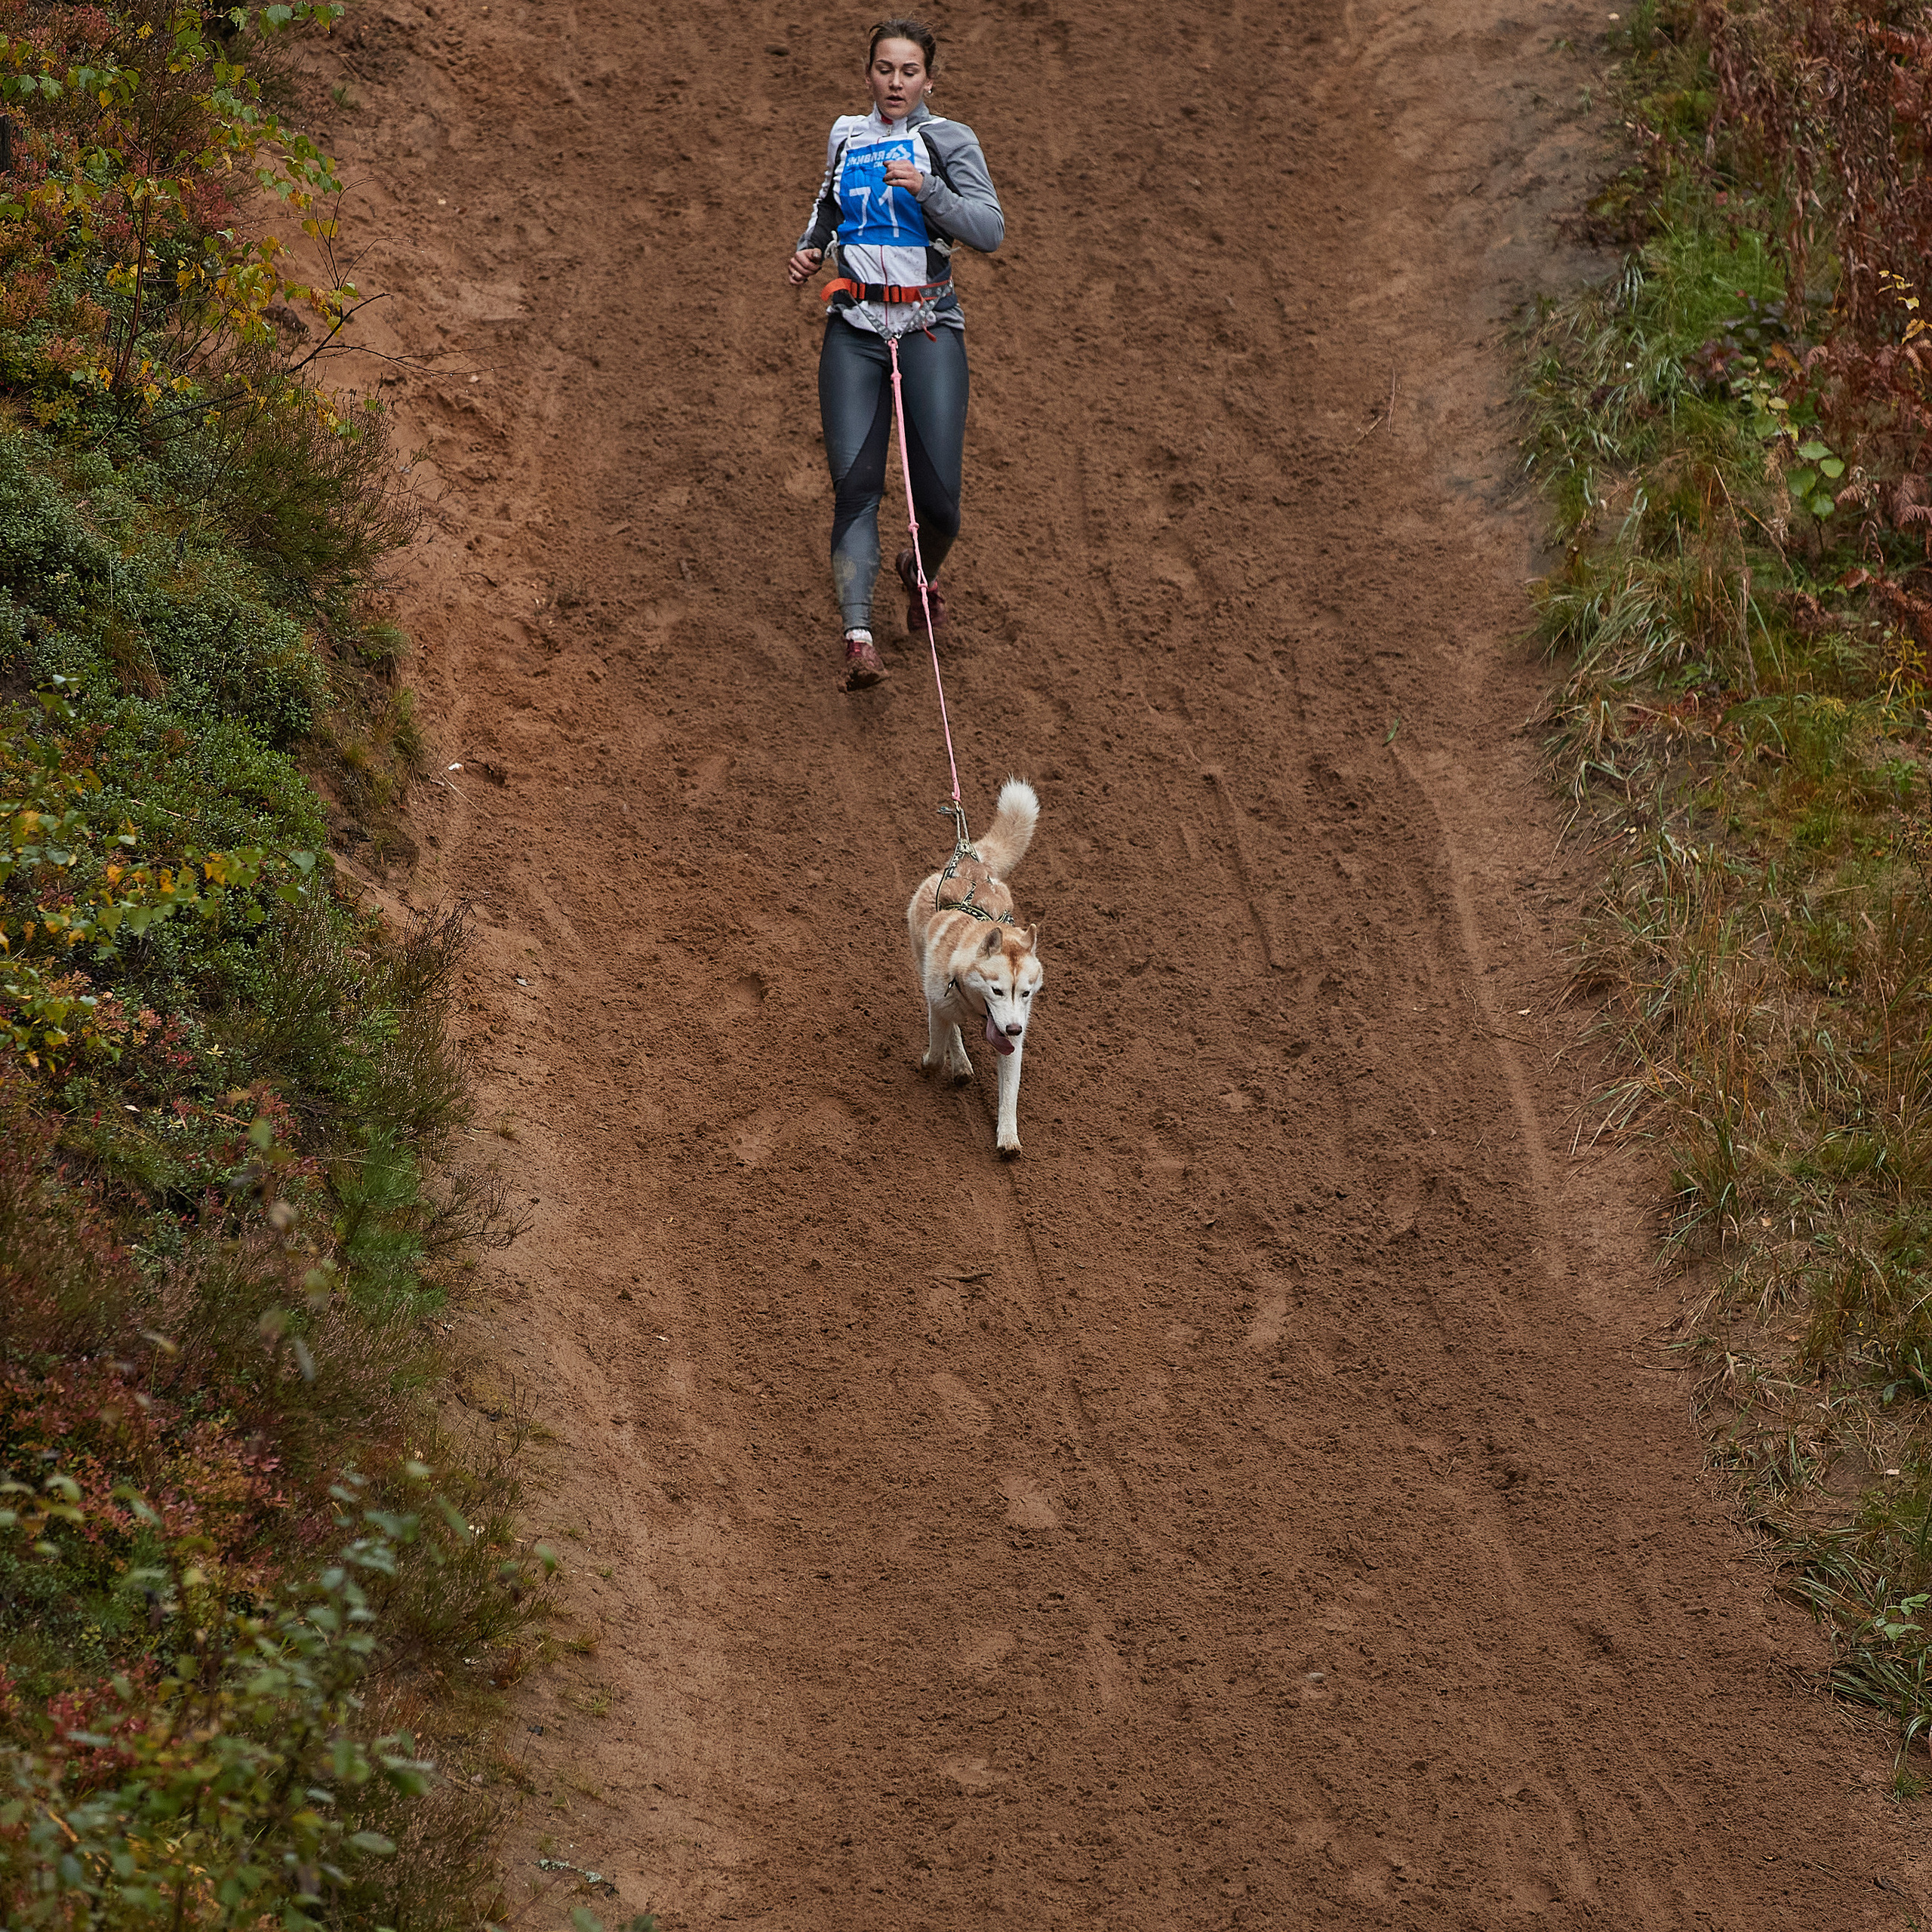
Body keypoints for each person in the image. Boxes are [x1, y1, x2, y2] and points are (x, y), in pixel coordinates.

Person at [786, 17, 1005, 691]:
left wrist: (928, 189)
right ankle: (858, 638)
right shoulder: (846, 134)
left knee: (940, 506)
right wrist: (810, 248)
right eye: (885, 69)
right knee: (856, 488)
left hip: (928, 323)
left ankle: (920, 572)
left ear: (929, 80)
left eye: (910, 71)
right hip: (854, 327)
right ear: (869, 73)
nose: (896, 82)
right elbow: (828, 209)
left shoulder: (949, 141)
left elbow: (990, 230)